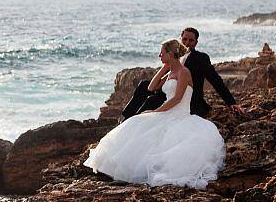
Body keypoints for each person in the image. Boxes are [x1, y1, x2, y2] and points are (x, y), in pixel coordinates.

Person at [83, 39, 226, 189]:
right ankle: (121, 168)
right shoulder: (171, 72)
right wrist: (164, 68)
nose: (159, 55)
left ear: (170, 54)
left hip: (179, 114)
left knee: (141, 122)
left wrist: (156, 111)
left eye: (162, 53)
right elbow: (151, 87)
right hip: (167, 112)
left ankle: (136, 171)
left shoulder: (184, 72)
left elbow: (177, 98)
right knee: (136, 123)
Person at [121, 27, 245, 120]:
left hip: (188, 98)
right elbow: (163, 80)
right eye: (184, 39)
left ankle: (137, 121)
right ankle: (126, 117)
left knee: (151, 100)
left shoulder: (201, 58)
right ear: (180, 40)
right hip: (171, 90)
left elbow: (216, 80)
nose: (186, 43)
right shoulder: (175, 57)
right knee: (144, 85)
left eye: (191, 40)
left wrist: (231, 103)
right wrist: (165, 67)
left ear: (196, 43)